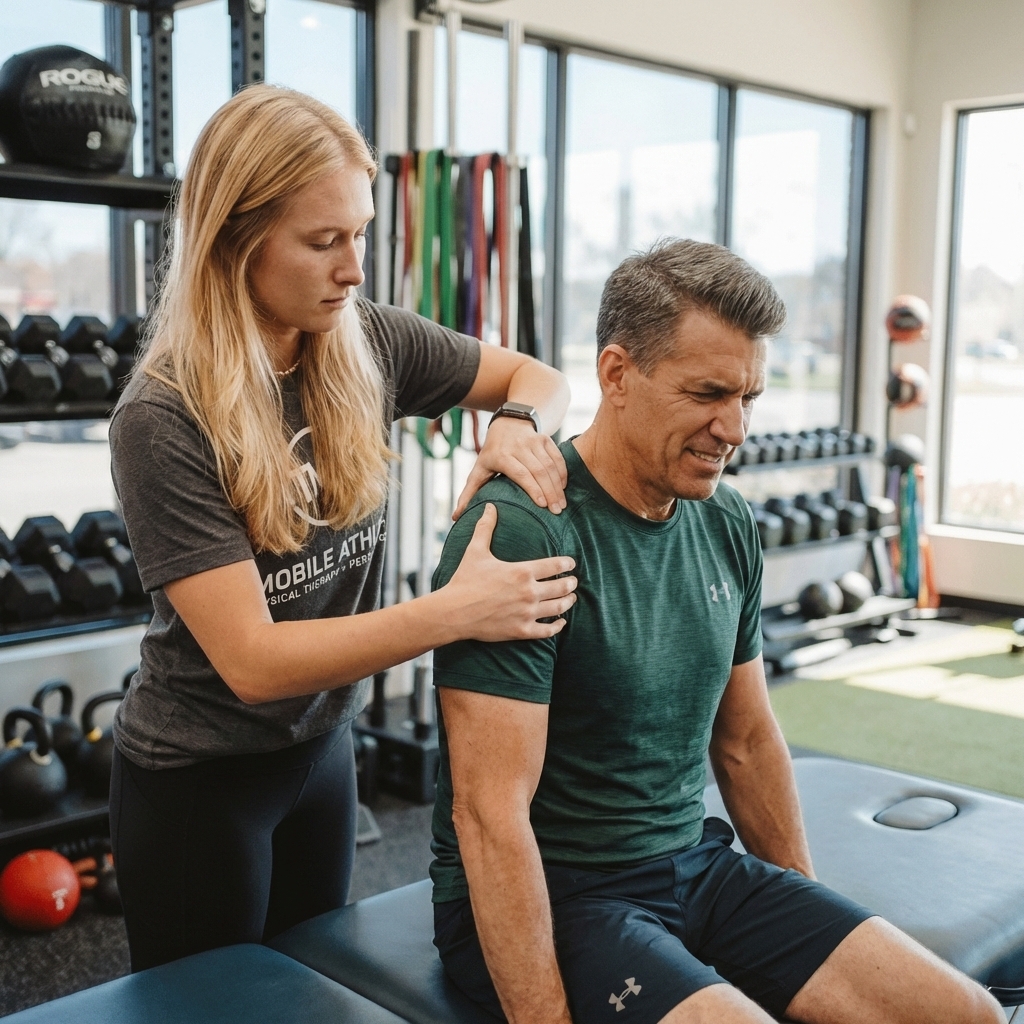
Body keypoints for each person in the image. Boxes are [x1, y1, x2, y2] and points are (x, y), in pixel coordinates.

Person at [428, 239, 1003, 1024]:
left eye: (749, 397)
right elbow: (488, 817)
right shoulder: (527, 531)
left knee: (962, 1013)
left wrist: (805, 917)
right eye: (706, 393)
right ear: (617, 375)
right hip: (565, 893)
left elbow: (747, 740)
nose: (732, 428)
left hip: (694, 864)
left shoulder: (724, 517)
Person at [107, 84, 578, 973]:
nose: (354, 269)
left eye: (359, 234)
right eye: (324, 243)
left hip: (322, 754)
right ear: (236, 243)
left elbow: (539, 378)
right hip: (197, 782)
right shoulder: (163, 416)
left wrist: (514, 425)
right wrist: (457, 610)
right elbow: (252, 663)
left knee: (313, 992)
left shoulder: (367, 342)